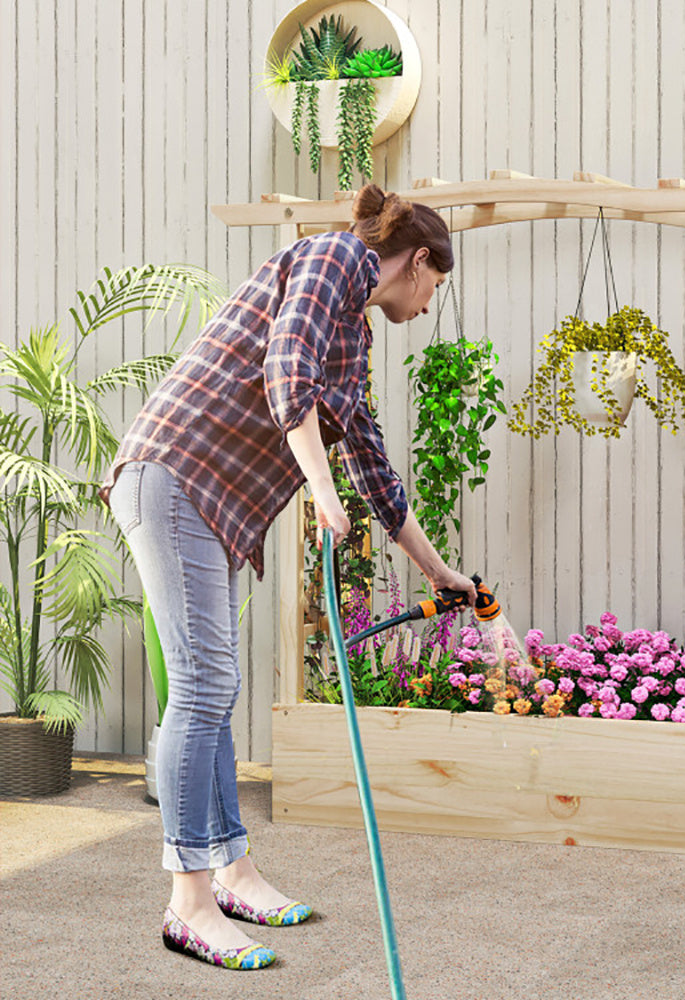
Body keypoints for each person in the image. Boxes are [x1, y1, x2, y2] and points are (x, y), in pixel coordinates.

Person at [101, 184, 477, 971]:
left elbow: (374, 468)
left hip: (205, 502)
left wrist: (444, 573)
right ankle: (188, 902)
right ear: (414, 263)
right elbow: (284, 374)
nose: (430, 303)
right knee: (204, 687)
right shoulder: (329, 259)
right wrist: (321, 489)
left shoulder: (353, 334)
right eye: (434, 286)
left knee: (213, 686)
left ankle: (232, 871)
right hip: (174, 477)